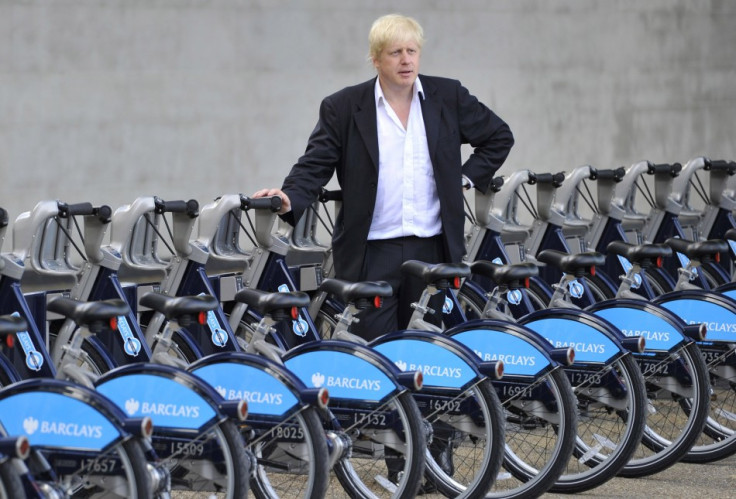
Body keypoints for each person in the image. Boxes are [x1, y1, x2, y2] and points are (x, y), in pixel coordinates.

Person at [254, 13, 514, 341]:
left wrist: (463, 179)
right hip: (372, 254)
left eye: (412, 51)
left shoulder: (447, 96)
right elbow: (314, 164)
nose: (406, 60)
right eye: (395, 53)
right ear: (376, 59)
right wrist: (289, 196)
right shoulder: (344, 107)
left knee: (429, 352)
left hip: (433, 249)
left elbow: (499, 136)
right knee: (375, 353)